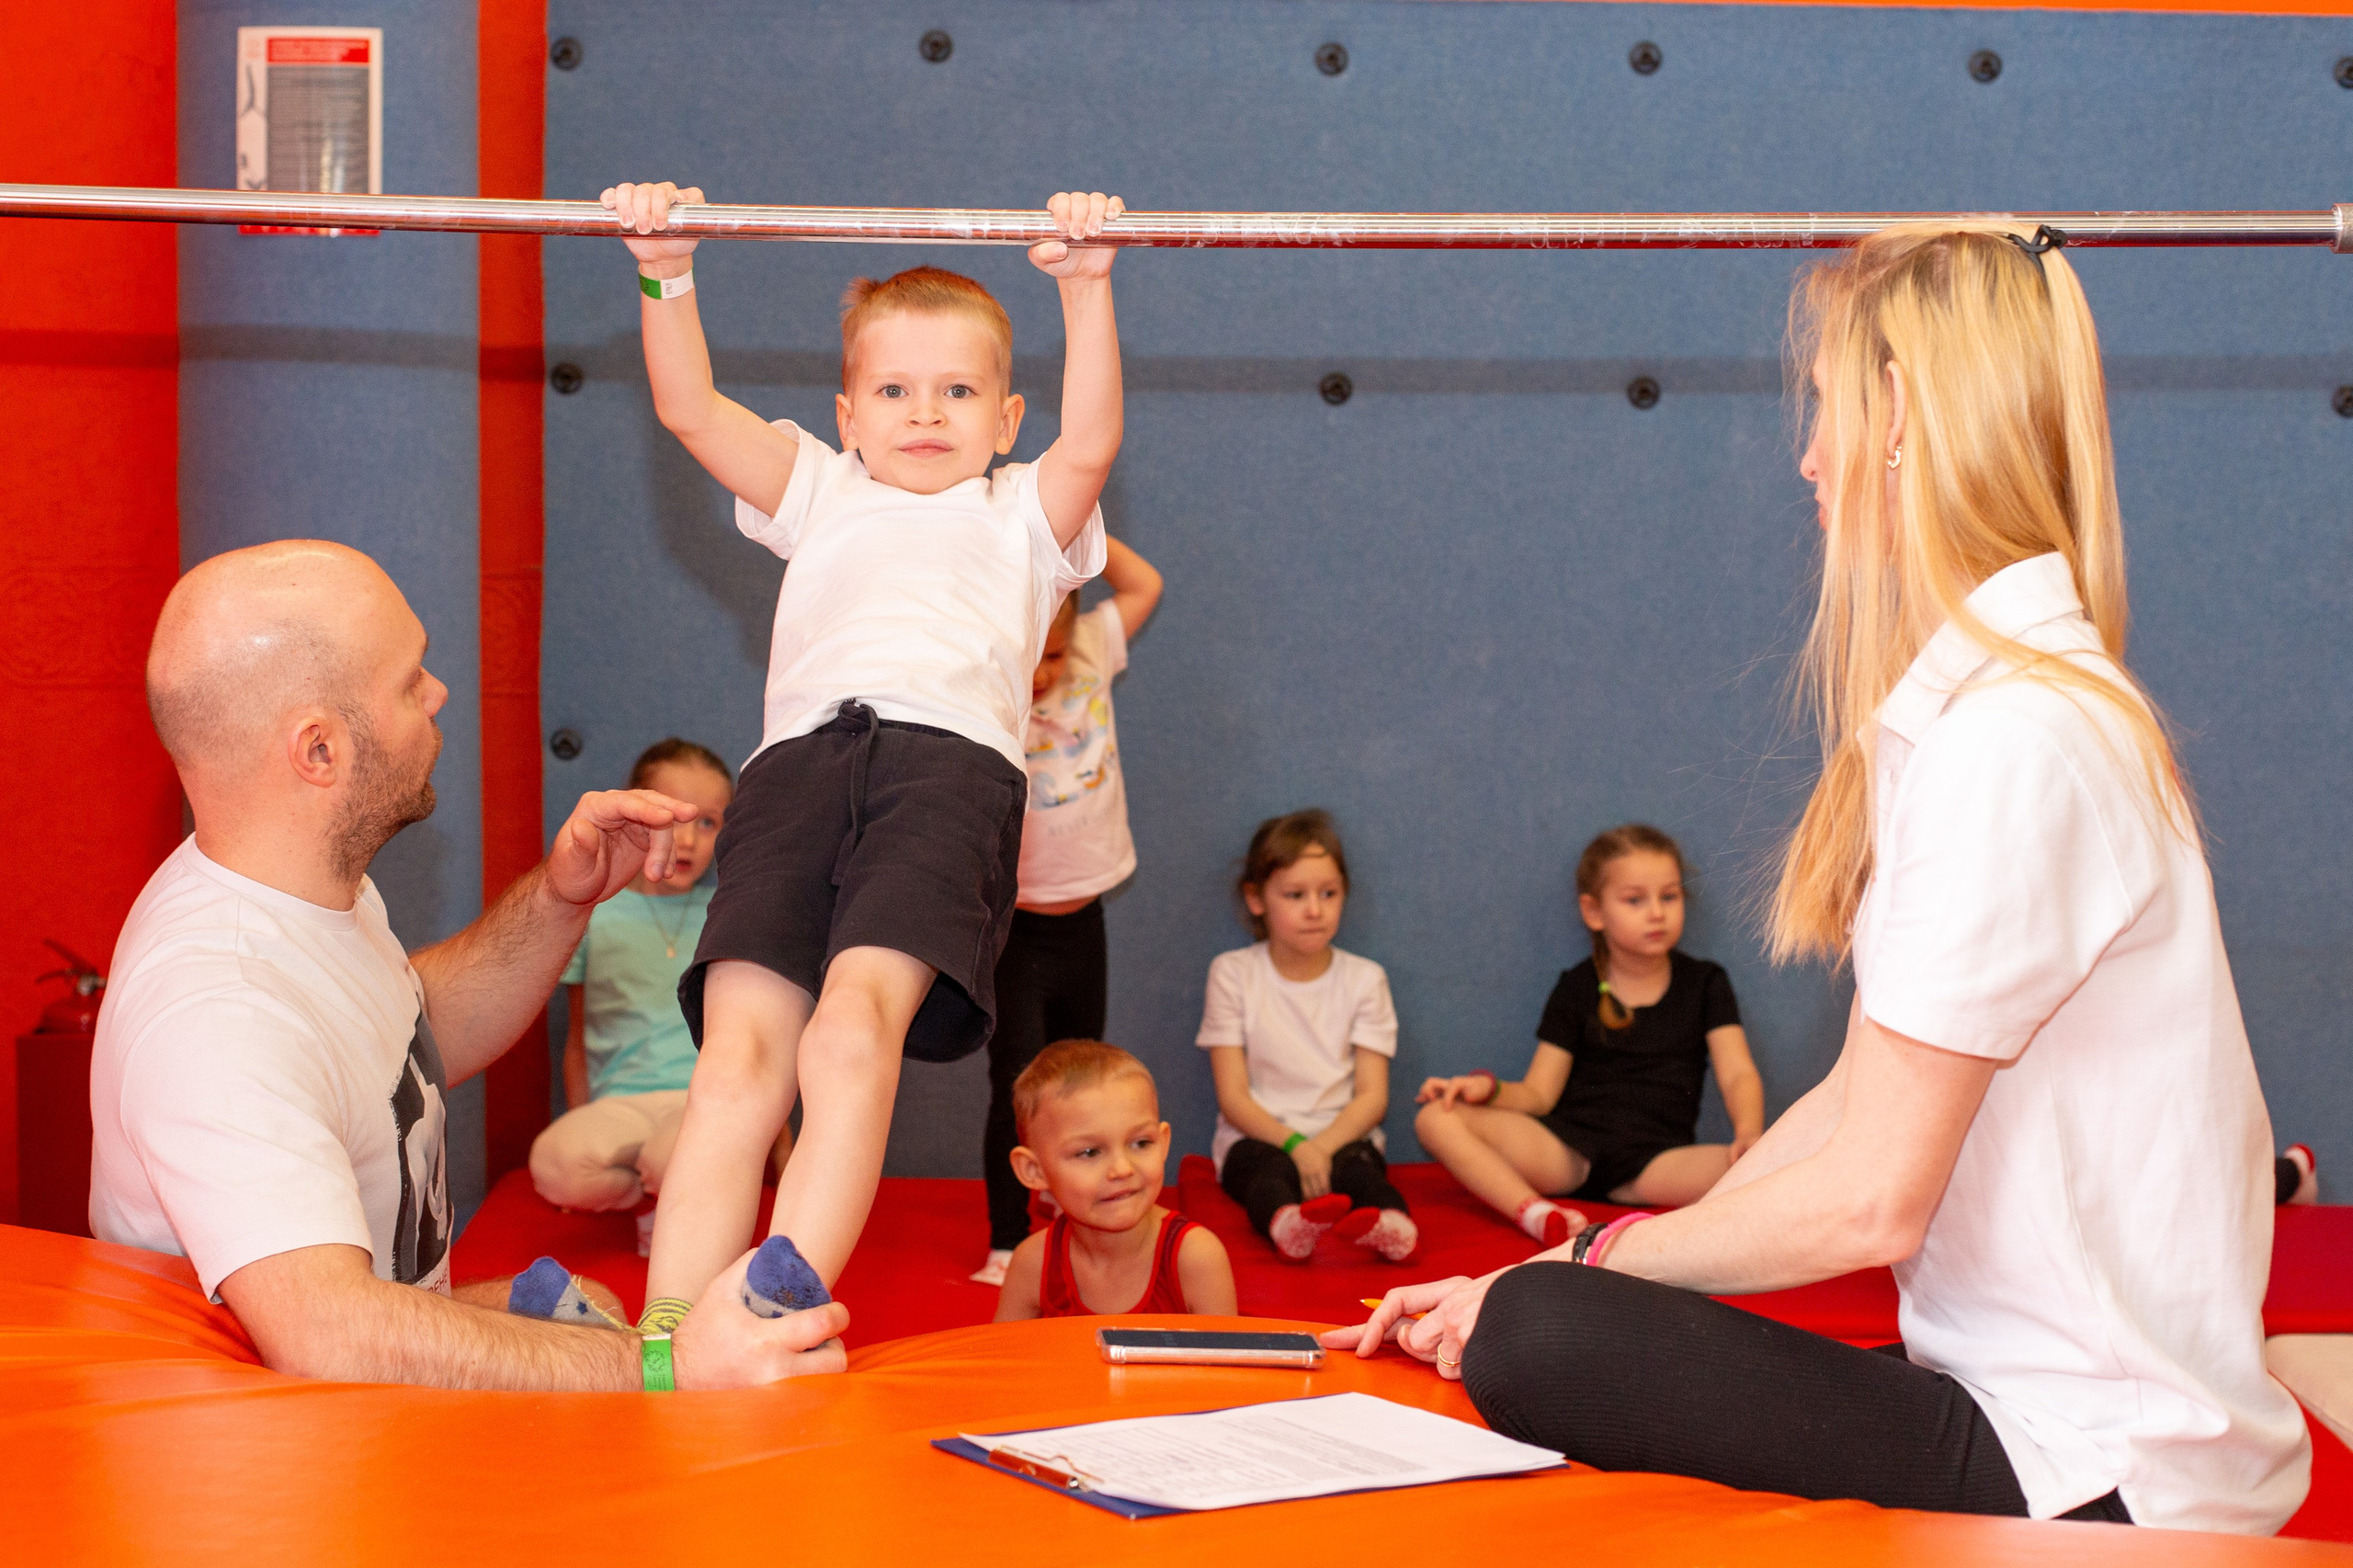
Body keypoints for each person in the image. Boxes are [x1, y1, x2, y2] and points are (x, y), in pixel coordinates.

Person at [1328, 224, 2309, 1533]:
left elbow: (1872, 1198)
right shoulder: (1998, 711)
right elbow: (1853, 1101)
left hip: (2098, 1462)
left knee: (1541, 1330)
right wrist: (1590, 1260)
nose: (1806, 455)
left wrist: (1585, 1266)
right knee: (1553, 1305)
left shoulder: (2016, 737)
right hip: (2034, 1401)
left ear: (1900, 416)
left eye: (1827, 407)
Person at [92, 540, 847, 1390]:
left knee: (584, 1309)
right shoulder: (215, 1012)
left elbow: (413, 1036)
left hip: (349, 1397)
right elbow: (328, 1338)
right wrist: (663, 1366)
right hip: (284, 1452)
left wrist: (561, 899)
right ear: (319, 750)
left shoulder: (304, 888)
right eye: (409, 681)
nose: (439, 691)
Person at [603, 178, 1124, 1335]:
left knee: (847, 1032)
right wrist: (665, 267)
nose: (924, 412)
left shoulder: (1021, 514)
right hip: (796, 770)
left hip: (944, 776)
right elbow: (690, 408)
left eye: (957, 391)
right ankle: (669, 1329)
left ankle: (774, 1298)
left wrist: (1086, 286)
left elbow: (1091, 441)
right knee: (736, 1057)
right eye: (893, 389)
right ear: (846, 413)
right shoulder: (819, 488)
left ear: (1005, 417)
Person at [1414, 824, 1764, 1248]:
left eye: (1669, 896)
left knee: (1772, 1161)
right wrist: (1487, 1089)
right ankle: (1536, 1213)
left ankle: (1719, 1170)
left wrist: (1749, 1132)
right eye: (1635, 900)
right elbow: (1538, 1095)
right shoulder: (1577, 987)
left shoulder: (1706, 983)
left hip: (1658, 1165)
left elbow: (1737, 1073)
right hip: (1568, 1154)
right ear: (1594, 911)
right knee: (1434, 1118)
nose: (1657, 912)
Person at [972, 539, 1165, 1287]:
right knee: (1019, 1084)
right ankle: (1006, 1237)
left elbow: (1145, 584)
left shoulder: (1092, 645)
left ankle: (1071, 1198)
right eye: (1034, 657)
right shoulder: (985, 679)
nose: (1046, 673)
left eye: (1055, 655)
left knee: (1086, 1083)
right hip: (1015, 930)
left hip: (1086, 920)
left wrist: (1079, 531)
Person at [528, 739, 790, 1257]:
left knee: (677, 1155)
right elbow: (578, 1038)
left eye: (708, 822)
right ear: (636, 815)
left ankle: (669, 1203)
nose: (688, 840)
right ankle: (652, 1198)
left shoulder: (731, 915)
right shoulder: (595, 914)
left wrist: (784, 1156)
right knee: (553, 1163)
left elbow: (766, 1040)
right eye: (673, 820)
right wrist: (583, 1121)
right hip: (621, 1106)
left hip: (706, 1100)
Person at [1198, 810, 1415, 1263]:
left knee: (1360, 1174)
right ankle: (1286, 1225)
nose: (1315, 910)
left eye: (1328, 893)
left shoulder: (1365, 979)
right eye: (1295, 895)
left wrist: (1322, 1148)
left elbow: (1372, 1097)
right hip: (1260, 1137)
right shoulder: (1232, 974)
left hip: (1342, 1137)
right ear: (1256, 898)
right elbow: (1233, 1098)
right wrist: (1296, 1146)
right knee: (1265, 1175)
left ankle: (1395, 1225)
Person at [993, 1040, 1235, 1319]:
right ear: (1034, 1170)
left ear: (1163, 1143)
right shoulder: (1033, 1263)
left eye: (1141, 1143)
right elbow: (1003, 1349)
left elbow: (1225, 1350)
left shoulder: (1195, 1258)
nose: (1122, 1169)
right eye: (1089, 1152)